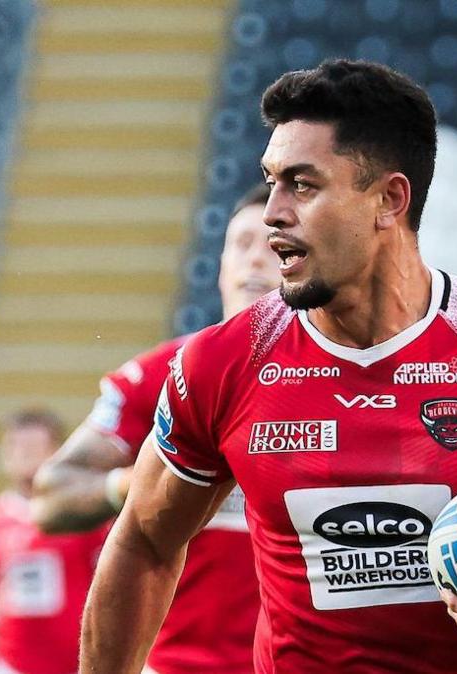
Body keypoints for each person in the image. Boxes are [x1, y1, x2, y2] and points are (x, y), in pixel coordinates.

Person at [81, 59, 457, 673]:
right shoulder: (222, 362)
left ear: (390, 199)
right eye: (272, 182)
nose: (273, 213)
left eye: (302, 185)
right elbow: (144, 540)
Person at [30, 183, 279, 673]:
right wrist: (143, 482)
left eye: (272, 245)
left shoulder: (348, 383)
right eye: (242, 244)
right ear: (221, 265)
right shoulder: (167, 375)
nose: (255, 261)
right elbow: (50, 496)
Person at [0, 409, 109, 674]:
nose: (23, 454)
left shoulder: (86, 511)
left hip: (75, 662)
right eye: (15, 446)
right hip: (10, 663)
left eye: (33, 446)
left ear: (58, 450)